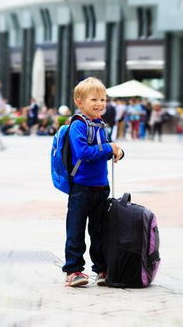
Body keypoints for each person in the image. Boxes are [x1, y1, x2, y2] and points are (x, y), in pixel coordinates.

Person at [63, 77, 125, 287]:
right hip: (81, 187)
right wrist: (109, 147)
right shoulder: (78, 125)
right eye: (94, 99)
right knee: (76, 230)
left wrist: (117, 151)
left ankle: (101, 269)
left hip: (101, 187)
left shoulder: (100, 124)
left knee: (100, 231)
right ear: (79, 102)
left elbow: (101, 151)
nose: (99, 103)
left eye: (103, 99)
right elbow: (83, 152)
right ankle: (73, 271)